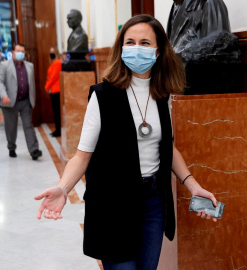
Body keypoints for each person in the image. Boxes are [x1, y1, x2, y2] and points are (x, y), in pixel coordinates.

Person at [35, 15, 217, 270]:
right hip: (113, 204)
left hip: (153, 202)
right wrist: (63, 188)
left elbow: (169, 148)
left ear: (159, 50)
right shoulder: (103, 96)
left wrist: (193, 185)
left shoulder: (163, 94)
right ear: (121, 49)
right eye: (129, 42)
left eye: (144, 42)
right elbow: (82, 156)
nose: (136, 48)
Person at [0, 43, 42, 160]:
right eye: (18, 51)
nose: (20, 53)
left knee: (28, 126)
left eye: (22, 51)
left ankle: (34, 150)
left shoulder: (30, 66)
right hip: (9, 102)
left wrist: (33, 99)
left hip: (25, 101)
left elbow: (31, 84)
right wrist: (3, 96)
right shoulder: (4, 65)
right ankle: (11, 147)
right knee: (11, 127)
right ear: (12, 52)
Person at [45, 46, 62, 137]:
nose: (50, 54)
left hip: (57, 90)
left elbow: (53, 77)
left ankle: (58, 130)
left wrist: (47, 86)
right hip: (53, 90)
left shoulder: (58, 63)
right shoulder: (53, 63)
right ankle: (57, 129)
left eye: (52, 52)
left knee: (57, 112)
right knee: (55, 112)